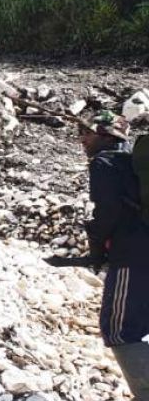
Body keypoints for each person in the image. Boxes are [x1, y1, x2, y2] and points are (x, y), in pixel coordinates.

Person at [80, 111, 149, 399]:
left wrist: (96, 242)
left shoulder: (105, 162)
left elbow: (107, 212)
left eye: (87, 133)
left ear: (105, 135)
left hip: (132, 256)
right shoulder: (134, 163)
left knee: (119, 328)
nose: (82, 140)